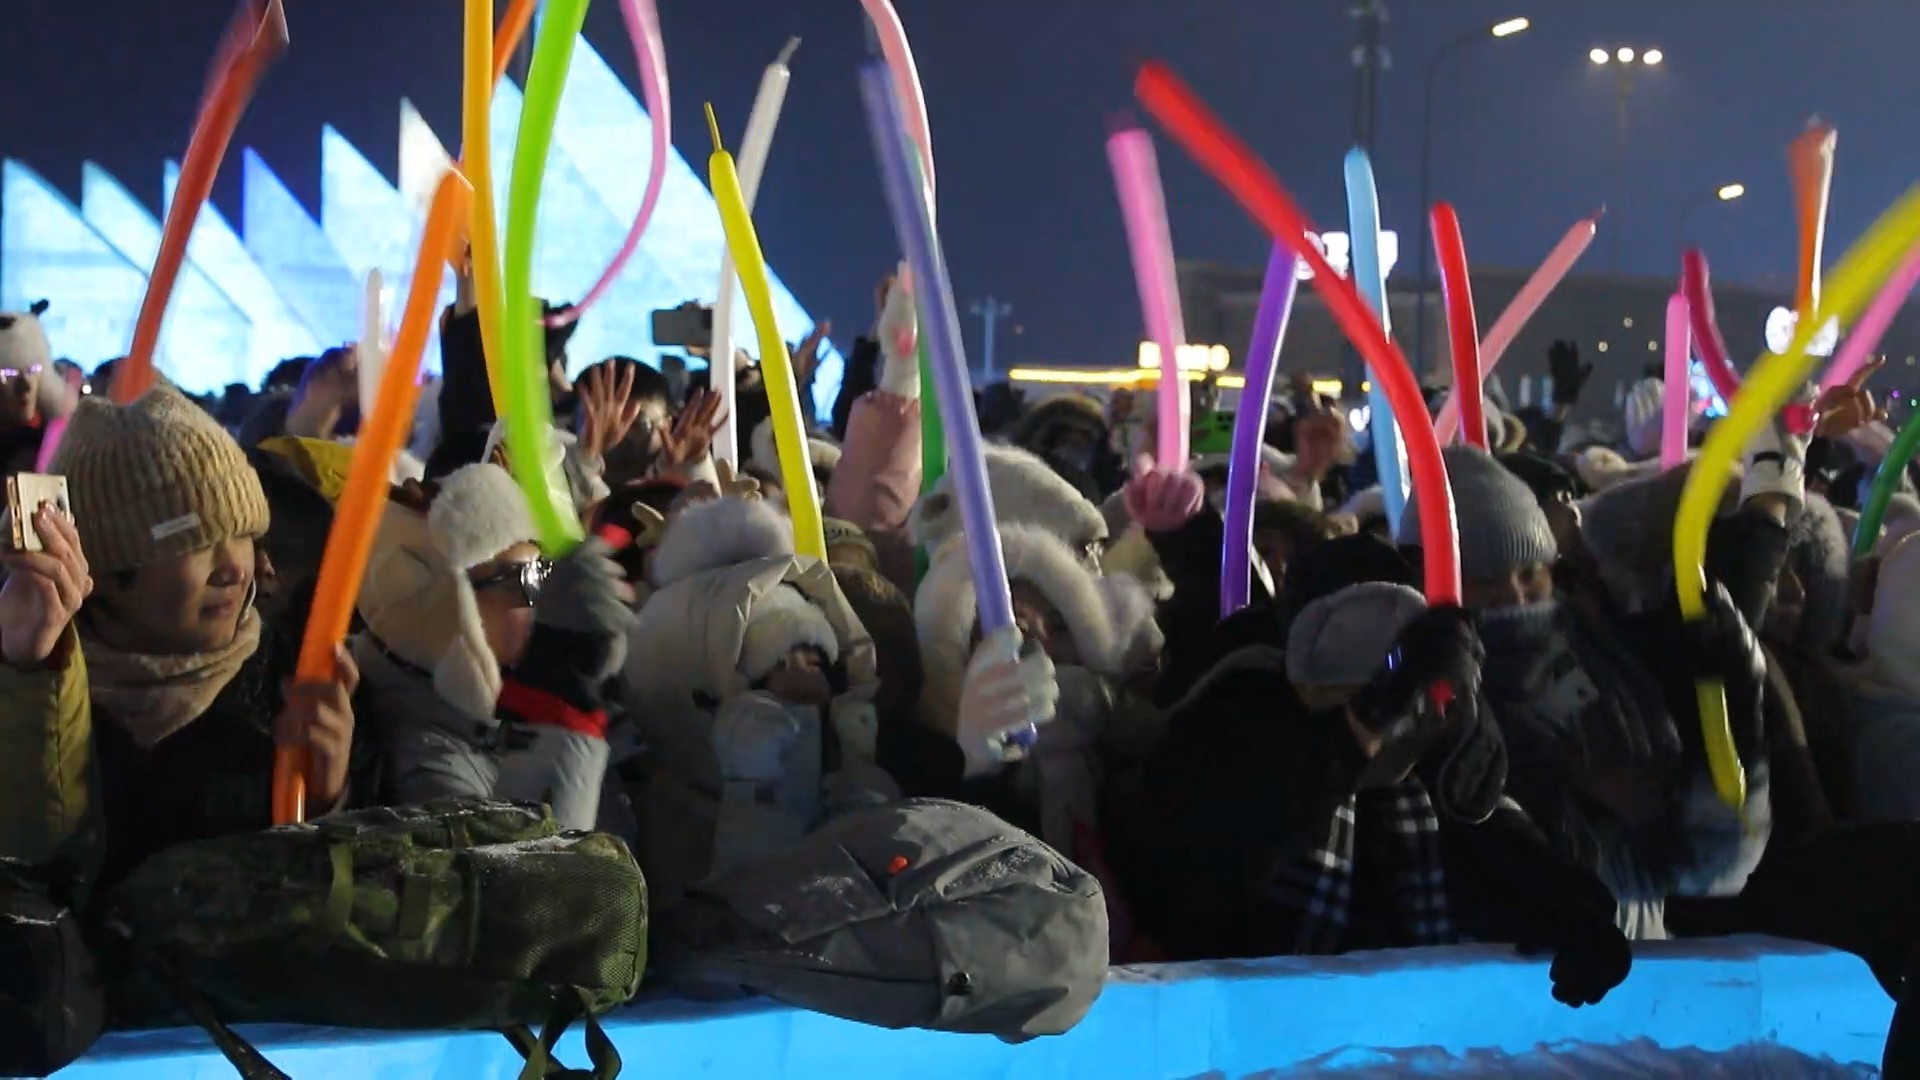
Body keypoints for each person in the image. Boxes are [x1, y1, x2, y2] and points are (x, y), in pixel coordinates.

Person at [1, 384, 364, 893]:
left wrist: (332, 797)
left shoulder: (298, 680)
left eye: (242, 534)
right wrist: (29, 671)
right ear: (106, 572)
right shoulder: (36, 674)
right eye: (197, 542)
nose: (234, 568)